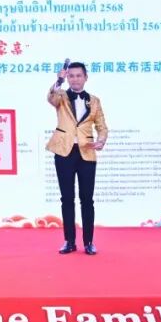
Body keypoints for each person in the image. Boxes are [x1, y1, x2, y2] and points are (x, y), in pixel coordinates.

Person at [46, 61, 108, 255]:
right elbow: (51, 97)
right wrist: (59, 80)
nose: (75, 79)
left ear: (85, 77)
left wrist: (101, 140)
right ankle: (69, 241)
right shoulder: (61, 96)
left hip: (86, 151)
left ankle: (89, 242)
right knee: (67, 198)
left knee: (87, 199)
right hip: (64, 151)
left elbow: (102, 126)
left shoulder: (94, 101)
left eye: (78, 75)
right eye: (71, 76)